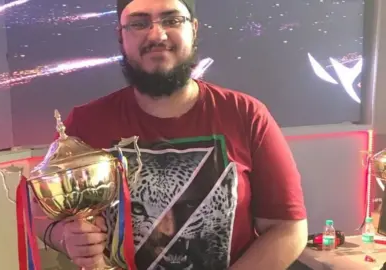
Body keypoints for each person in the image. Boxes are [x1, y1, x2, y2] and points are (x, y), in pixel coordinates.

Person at [32, 0, 308, 269]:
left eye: (172, 20)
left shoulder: (246, 114)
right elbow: (41, 216)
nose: (157, 34)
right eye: (139, 23)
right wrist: (65, 238)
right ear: (121, 36)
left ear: (194, 28)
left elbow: (287, 227)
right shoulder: (85, 124)